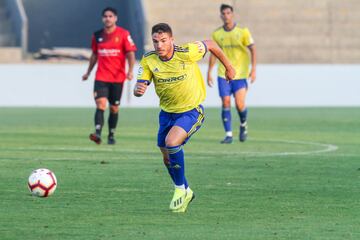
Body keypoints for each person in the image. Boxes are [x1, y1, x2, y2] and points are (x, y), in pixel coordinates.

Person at [134, 23, 235, 212]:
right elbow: (141, 83)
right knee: (166, 158)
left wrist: (228, 67)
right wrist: (138, 90)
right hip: (166, 114)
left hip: (191, 110)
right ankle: (187, 190)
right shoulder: (148, 59)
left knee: (172, 142)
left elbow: (211, 44)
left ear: (172, 39)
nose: (159, 45)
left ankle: (180, 190)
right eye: (156, 41)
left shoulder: (187, 52)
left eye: (163, 41)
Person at [82, 7, 137, 145]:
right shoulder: (97, 35)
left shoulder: (124, 34)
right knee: (101, 104)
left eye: (110, 16)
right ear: (102, 18)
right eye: (105, 16)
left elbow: (130, 53)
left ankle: (111, 135)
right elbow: (94, 55)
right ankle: (98, 133)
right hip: (101, 76)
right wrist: (88, 72)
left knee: (114, 108)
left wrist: (130, 70)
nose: (108, 18)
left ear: (115, 18)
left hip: (117, 78)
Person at [207, 4, 257, 144]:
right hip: (223, 74)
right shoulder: (217, 34)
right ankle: (228, 134)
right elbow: (213, 54)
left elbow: (253, 49)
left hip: (240, 74)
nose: (226, 15)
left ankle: (243, 124)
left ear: (232, 14)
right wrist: (209, 71)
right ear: (221, 16)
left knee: (240, 104)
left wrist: (253, 69)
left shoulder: (243, 31)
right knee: (226, 102)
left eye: (228, 13)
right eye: (224, 13)